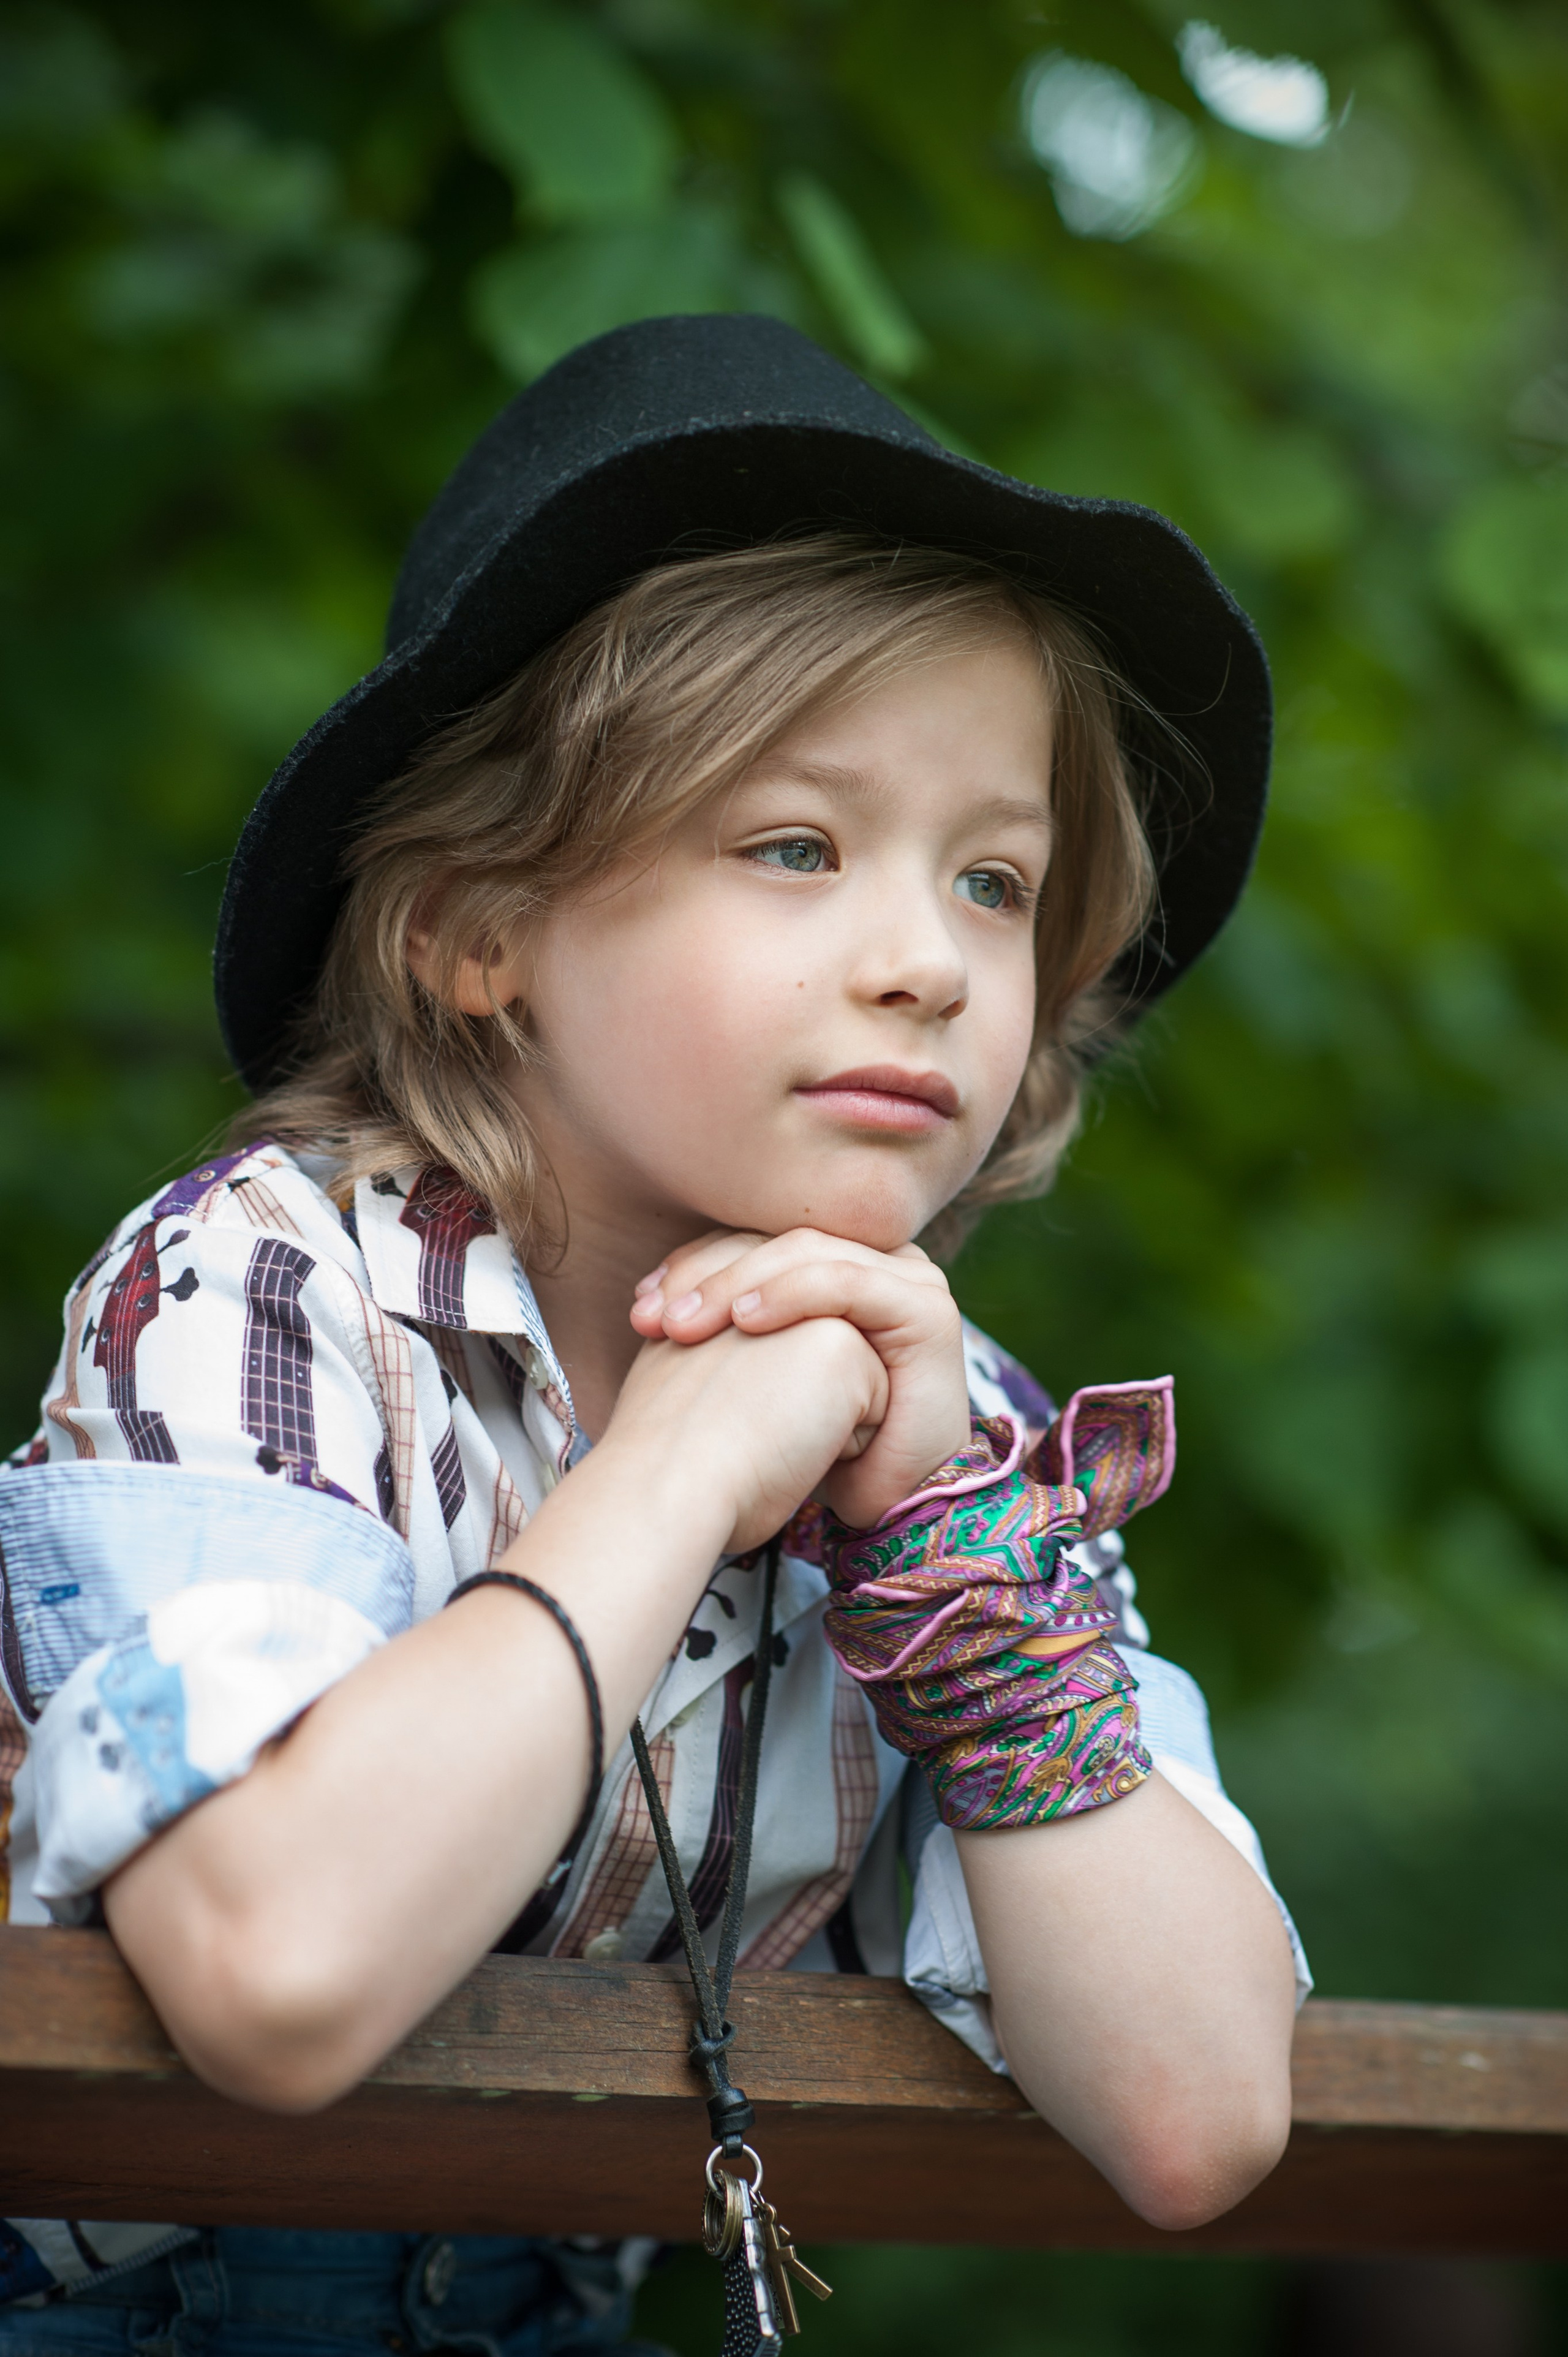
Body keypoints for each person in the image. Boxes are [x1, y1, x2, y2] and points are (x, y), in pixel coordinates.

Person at [0, 314, 1306, 2355]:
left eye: (994, 883)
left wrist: (955, 1556)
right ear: (474, 928)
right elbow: (274, 1967)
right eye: (796, 847)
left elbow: (1196, 2112)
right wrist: (682, 1465)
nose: (927, 967)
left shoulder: (956, 1442)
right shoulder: (270, 1284)